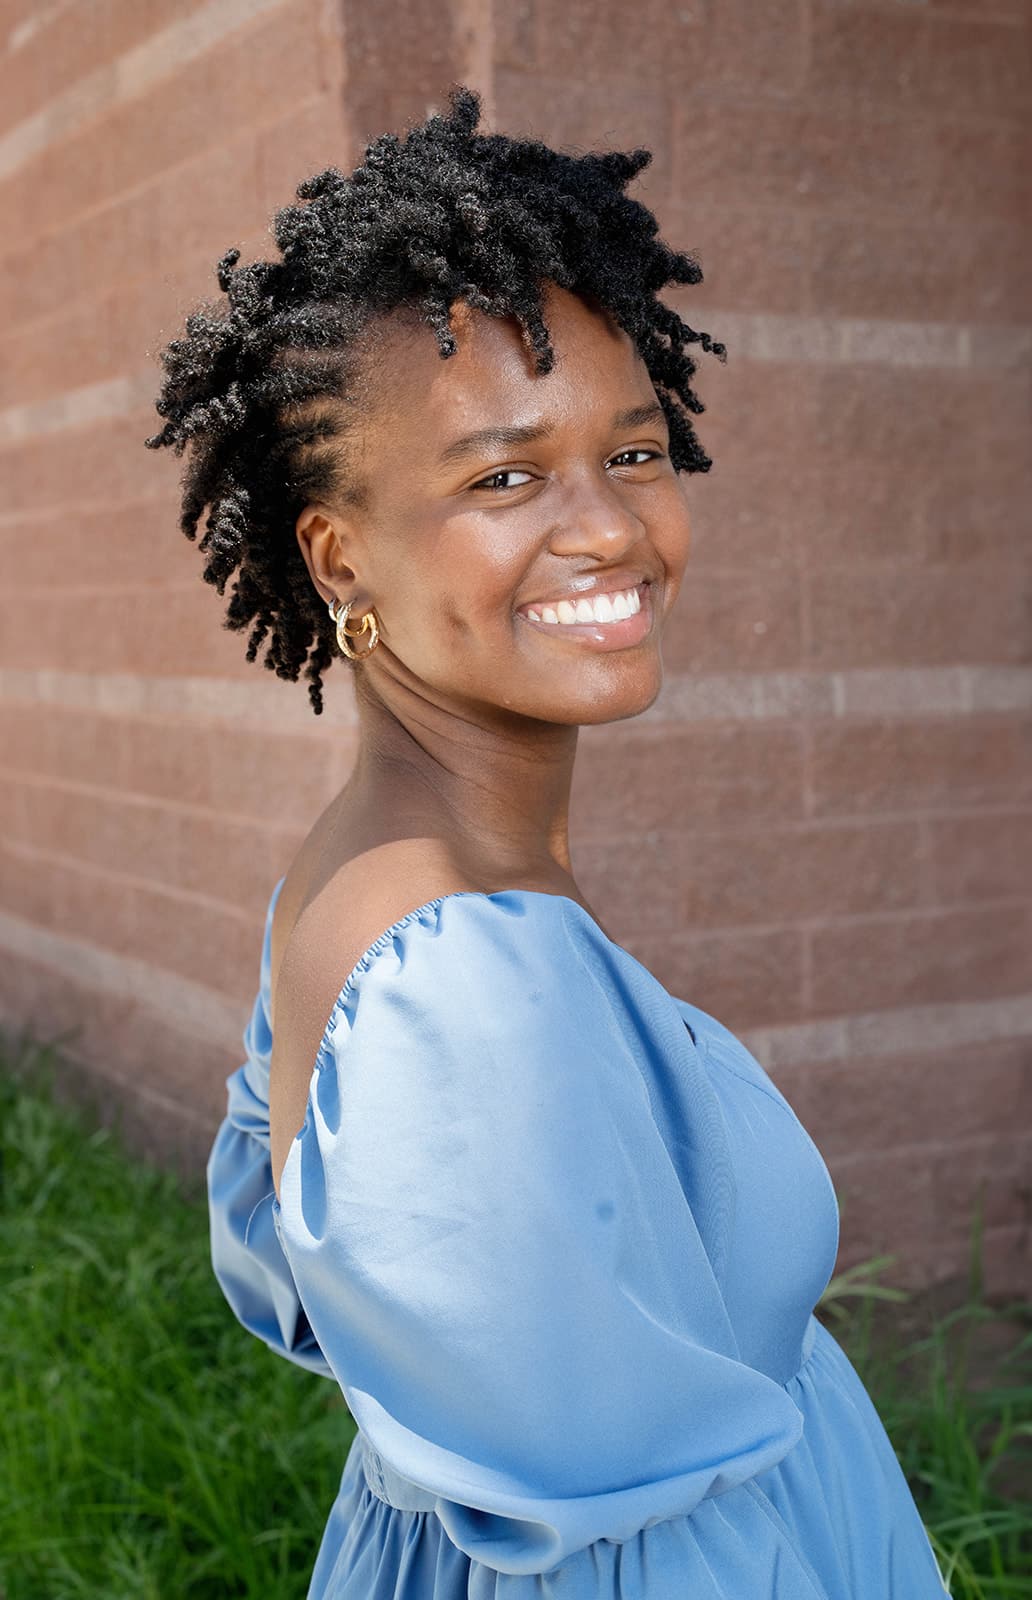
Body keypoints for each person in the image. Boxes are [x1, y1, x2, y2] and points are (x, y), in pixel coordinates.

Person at [146, 86, 950, 1599]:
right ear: (338, 553)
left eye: (633, 455)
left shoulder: (379, 865)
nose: (609, 531)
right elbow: (624, 1550)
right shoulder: (466, 979)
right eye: (504, 477)